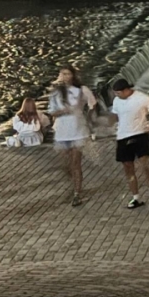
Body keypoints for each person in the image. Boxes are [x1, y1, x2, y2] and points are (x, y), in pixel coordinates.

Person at [47, 65, 97, 207]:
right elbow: (51, 111)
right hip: (62, 132)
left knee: (76, 163)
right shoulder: (55, 93)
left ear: (73, 75)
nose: (65, 76)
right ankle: (75, 183)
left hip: (78, 131)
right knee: (65, 164)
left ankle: (77, 193)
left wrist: (88, 119)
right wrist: (62, 111)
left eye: (67, 74)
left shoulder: (81, 90)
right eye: (62, 74)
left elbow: (92, 104)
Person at [110, 78, 149, 209]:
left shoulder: (142, 98)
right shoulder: (117, 101)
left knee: (145, 164)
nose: (117, 95)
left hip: (140, 135)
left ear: (127, 90)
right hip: (123, 136)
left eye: (119, 93)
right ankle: (136, 197)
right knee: (128, 167)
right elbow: (116, 115)